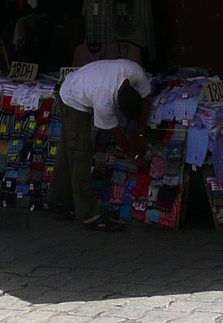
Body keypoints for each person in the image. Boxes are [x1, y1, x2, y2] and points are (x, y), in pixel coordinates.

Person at [48, 57, 152, 230]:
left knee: (69, 150)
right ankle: (89, 215)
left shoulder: (134, 71)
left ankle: (57, 199)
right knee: (80, 153)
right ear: (117, 104)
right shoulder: (104, 98)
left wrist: (140, 132)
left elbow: (146, 97)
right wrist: (135, 157)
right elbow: (116, 132)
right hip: (72, 98)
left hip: (84, 81)